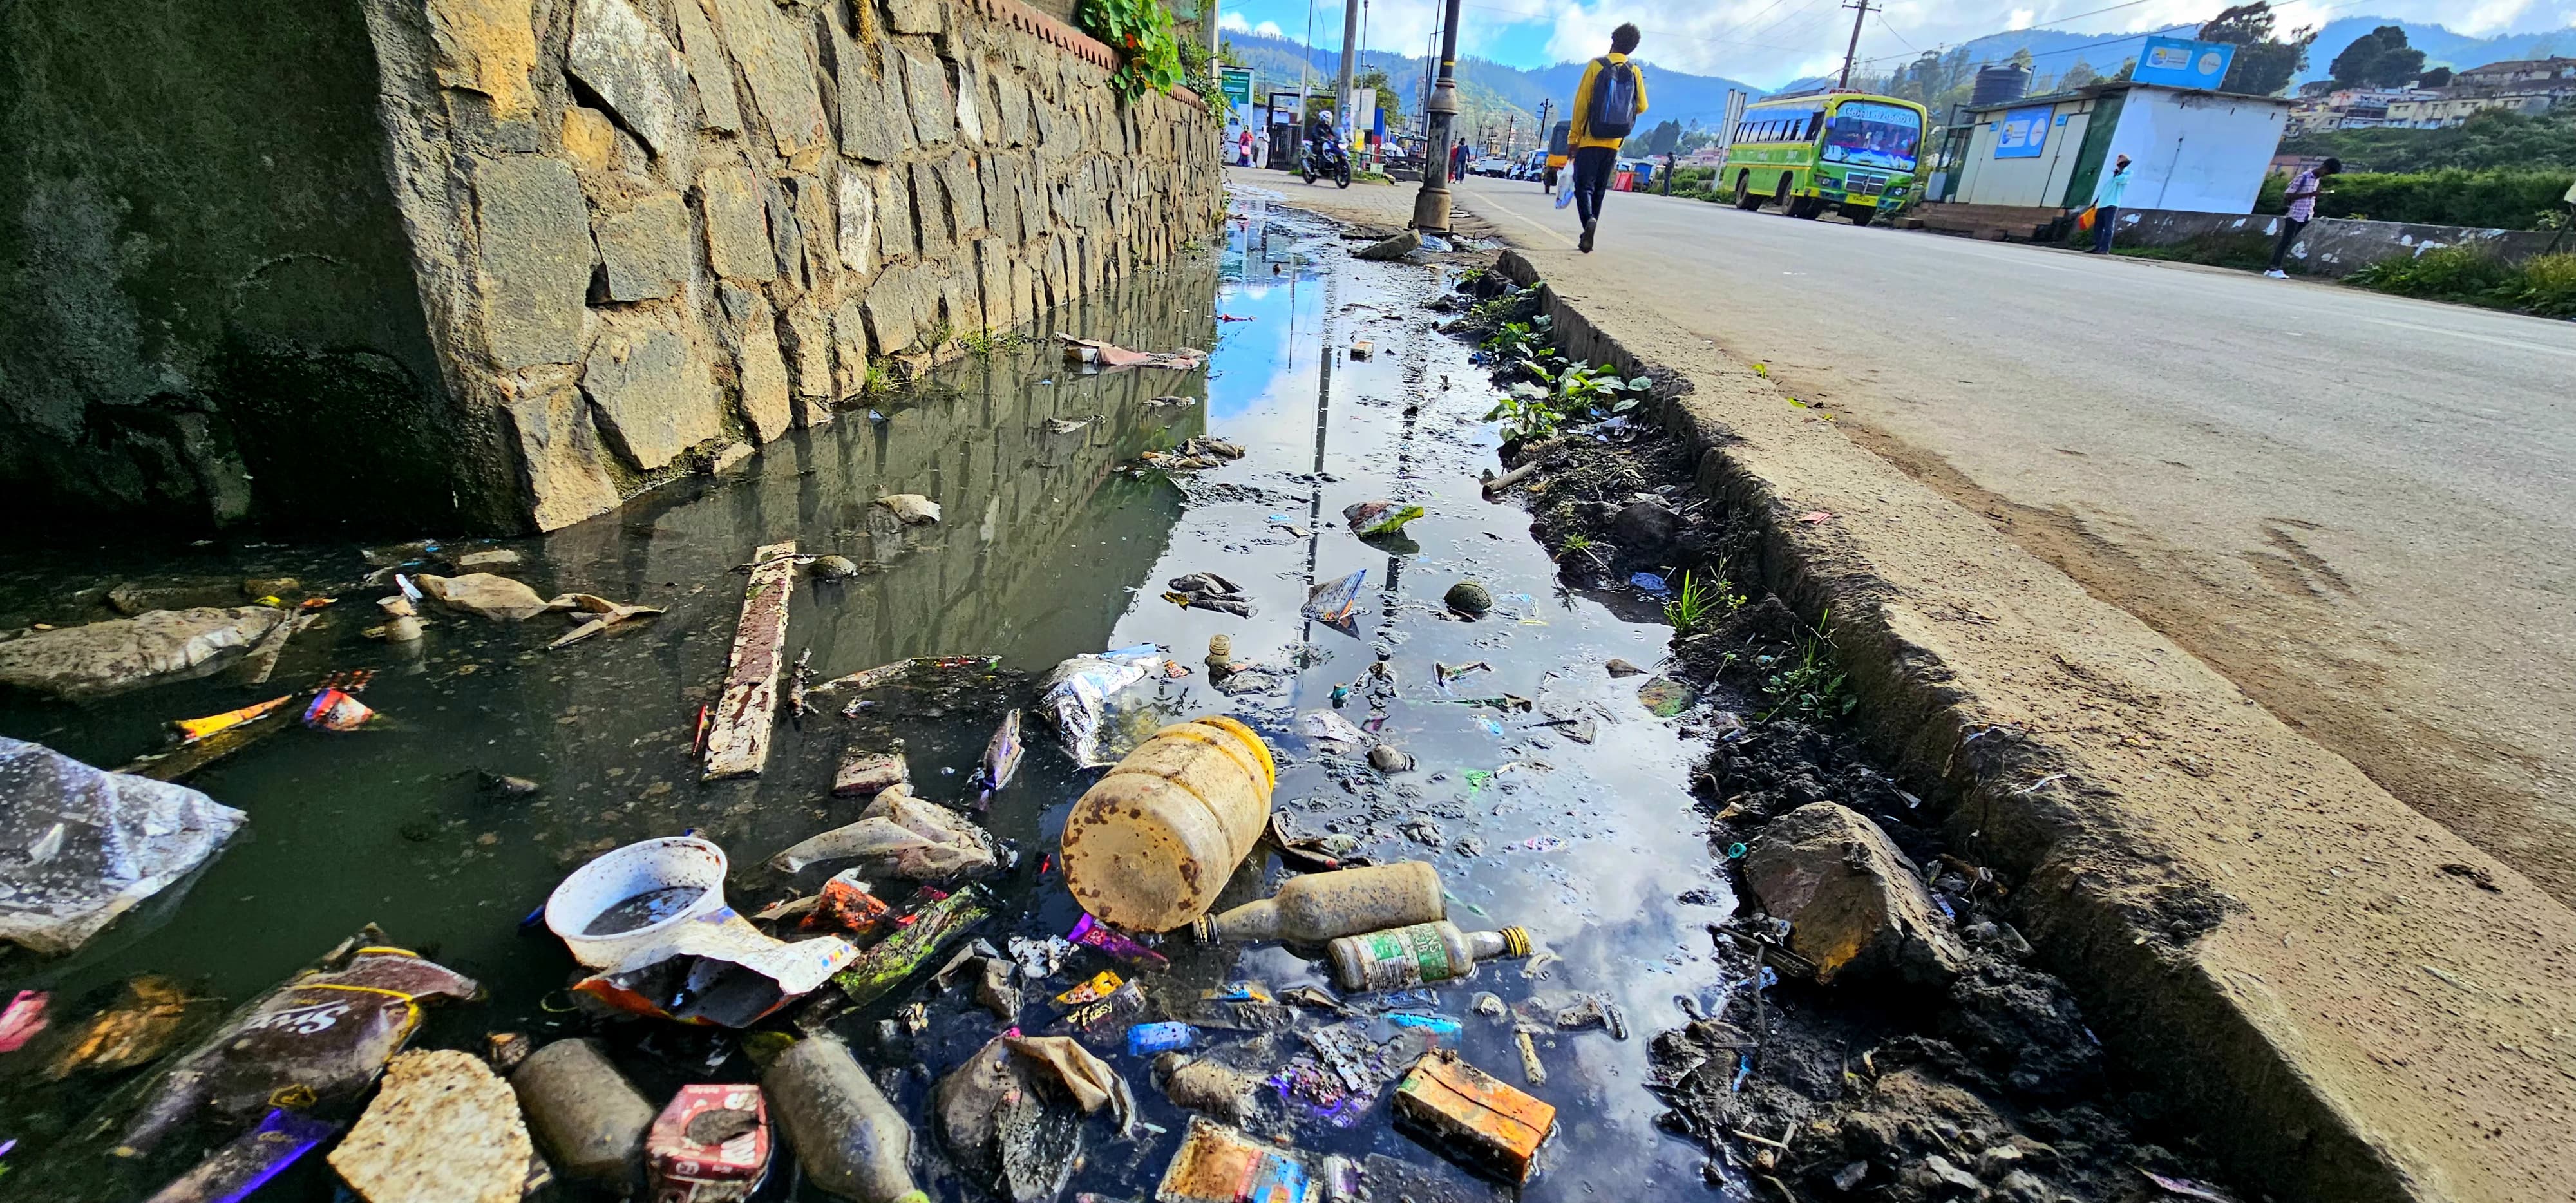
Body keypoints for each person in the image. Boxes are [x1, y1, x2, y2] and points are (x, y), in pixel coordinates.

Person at [1567, 23, 1649, 253]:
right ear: (1632, 49)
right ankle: (1591, 228)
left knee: (1584, 186)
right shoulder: (1635, 71)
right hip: (1614, 142)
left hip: (1590, 138)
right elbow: (1642, 105)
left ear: (1612, 40)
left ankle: (1588, 224)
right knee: (1600, 188)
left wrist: (1574, 138)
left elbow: (1581, 105)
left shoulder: (1596, 66)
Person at [2268, 156, 2339, 278]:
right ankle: (2274, 267)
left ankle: (2276, 267)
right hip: (2295, 214)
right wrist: (2311, 194)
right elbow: (2288, 195)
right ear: (2324, 167)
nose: (2326, 175)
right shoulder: (2304, 177)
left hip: (2306, 215)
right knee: (2285, 241)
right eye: (2327, 172)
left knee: (2288, 242)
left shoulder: (2317, 180)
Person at [2086, 153, 2131, 254]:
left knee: (2108, 227)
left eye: (2121, 163)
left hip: (2112, 205)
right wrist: (2096, 201)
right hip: (2102, 204)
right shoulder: (2112, 176)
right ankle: (2098, 246)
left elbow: (2121, 180)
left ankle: (2105, 248)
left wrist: (2119, 173)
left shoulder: (2127, 174)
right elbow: (2104, 190)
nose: (2119, 164)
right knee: (2098, 227)